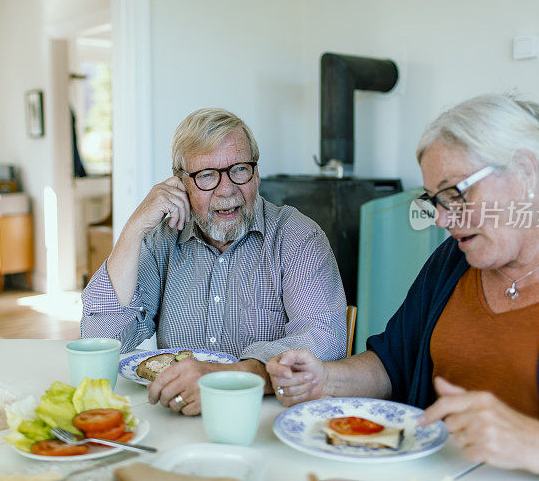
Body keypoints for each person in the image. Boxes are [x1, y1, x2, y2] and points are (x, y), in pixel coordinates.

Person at [266, 94, 539, 479]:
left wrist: (537, 444)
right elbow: (394, 364)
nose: (441, 218)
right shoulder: (454, 261)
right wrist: (325, 379)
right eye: (434, 200)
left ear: (525, 171)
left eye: (455, 192)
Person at [82, 108, 347, 415]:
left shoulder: (298, 237)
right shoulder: (161, 240)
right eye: (207, 175)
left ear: (256, 173)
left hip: (266, 417)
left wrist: (232, 376)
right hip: (176, 415)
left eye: (239, 169)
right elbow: (99, 341)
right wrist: (133, 230)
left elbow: (324, 339)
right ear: (181, 184)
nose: (227, 189)